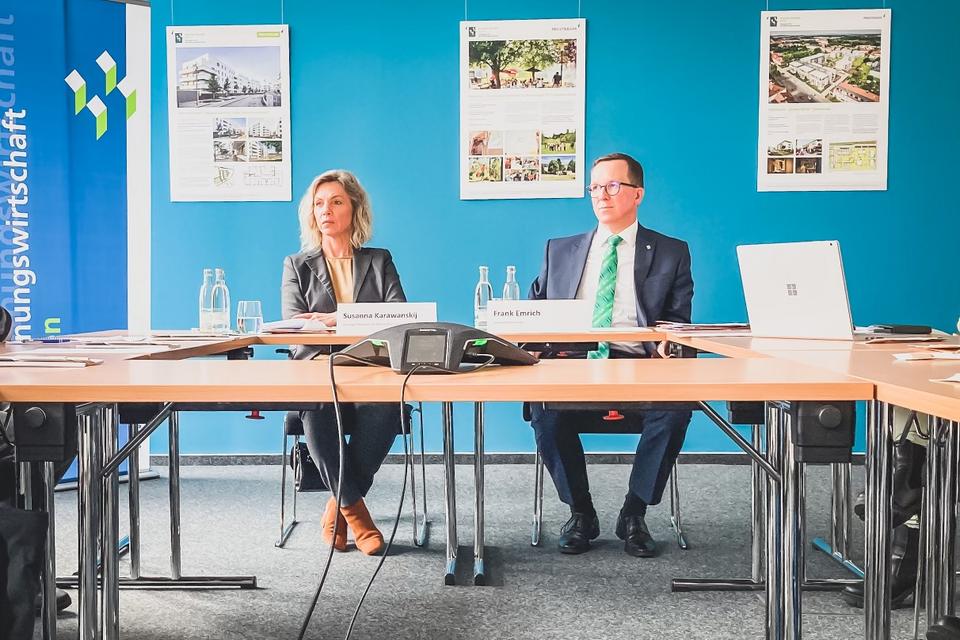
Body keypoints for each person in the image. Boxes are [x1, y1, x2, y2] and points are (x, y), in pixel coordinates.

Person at [528, 152, 694, 557]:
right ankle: (580, 512)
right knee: (543, 408)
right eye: (595, 187)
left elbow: (677, 321)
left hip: (639, 364)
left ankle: (634, 513)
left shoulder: (671, 252)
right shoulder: (560, 250)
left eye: (612, 185)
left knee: (675, 408)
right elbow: (536, 309)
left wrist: (666, 346)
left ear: (637, 193)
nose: (601, 194)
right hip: (572, 362)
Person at [281, 170, 405, 555]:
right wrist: (358, 320)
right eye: (319, 203)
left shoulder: (378, 260)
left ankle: (337, 509)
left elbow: (399, 315)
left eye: (336, 201)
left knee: (387, 411)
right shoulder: (297, 265)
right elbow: (297, 324)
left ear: (354, 208)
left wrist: (336, 319)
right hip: (318, 368)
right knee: (317, 413)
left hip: (371, 366)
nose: (326, 210)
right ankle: (356, 514)